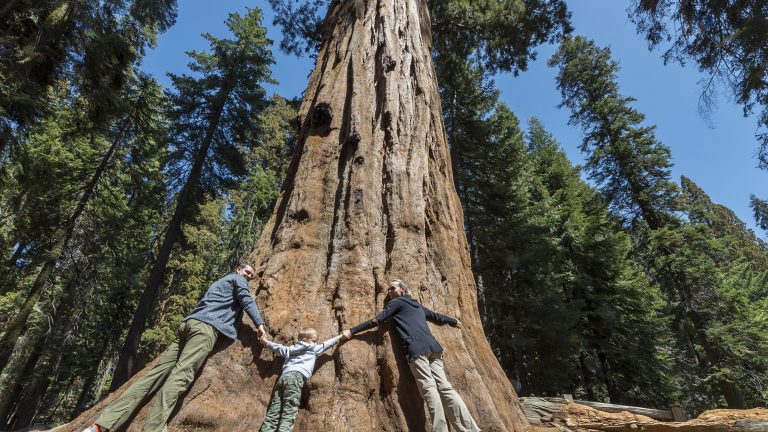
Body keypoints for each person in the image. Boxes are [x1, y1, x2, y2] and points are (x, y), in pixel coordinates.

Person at [82, 262, 266, 432]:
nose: (249, 277)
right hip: (205, 330)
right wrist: (260, 326)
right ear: (238, 270)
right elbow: (246, 300)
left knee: (152, 376)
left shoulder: (220, 282)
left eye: (251, 276)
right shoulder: (237, 280)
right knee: (180, 377)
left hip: (190, 325)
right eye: (247, 272)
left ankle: (101, 425)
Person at [342, 279, 480, 432]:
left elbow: (377, 320)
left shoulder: (397, 302)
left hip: (416, 349)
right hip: (433, 347)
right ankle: (470, 429)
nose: (389, 291)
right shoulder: (416, 304)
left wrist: (352, 331)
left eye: (392, 287)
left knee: (430, 389)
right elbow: (436, 316)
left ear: (402, 289)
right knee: (445, 388)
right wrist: (453, 321)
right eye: (388, 289)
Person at [259, 328, 342, 432]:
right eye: (314, 340)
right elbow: (327, 344)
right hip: (296, 378)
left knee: (274, 411)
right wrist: (340, 336)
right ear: (304, 339)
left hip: (283, 378)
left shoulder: (290, 349)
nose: (316, 343)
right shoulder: (313, 348)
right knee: (289, 412)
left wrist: (265, 342)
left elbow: (278, 348)